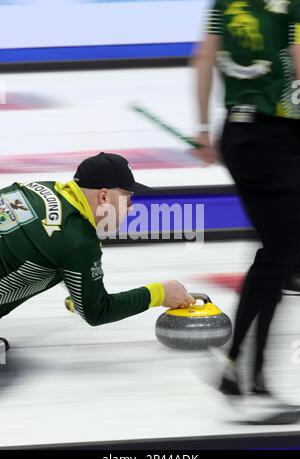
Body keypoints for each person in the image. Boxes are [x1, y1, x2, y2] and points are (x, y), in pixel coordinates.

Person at [193, 0, 300, 422]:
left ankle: (245, 373)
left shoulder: (225, 2)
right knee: (278, 255)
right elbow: (297, 57)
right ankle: (240, 369)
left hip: (238, 134)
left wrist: (202, 129)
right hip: (277, 135)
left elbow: (202, 58)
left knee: (280, 251)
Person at [0, 152, 195, 360]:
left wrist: (81, 294)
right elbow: (97, 312)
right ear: (104, 196)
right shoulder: (78, 240)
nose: (131, 208)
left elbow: (40, 245)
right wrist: (160, 293)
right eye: (127, 198)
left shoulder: (41, 188)